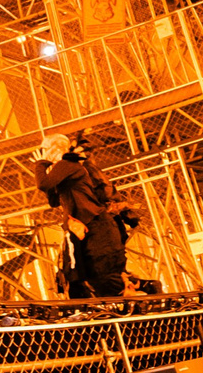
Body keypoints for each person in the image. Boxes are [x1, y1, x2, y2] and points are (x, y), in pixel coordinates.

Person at [36, 127, 140, 297]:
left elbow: (42, 184)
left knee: (103, 275)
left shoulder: (67, 164)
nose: (44, 154)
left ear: (55, 149)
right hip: (86, 227)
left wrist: (40, 164)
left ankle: (132, 302)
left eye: (45, 150)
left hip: (95, 224)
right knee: (91, 275)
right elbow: (53, 200)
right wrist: (49, 170)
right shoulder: (64, 169)